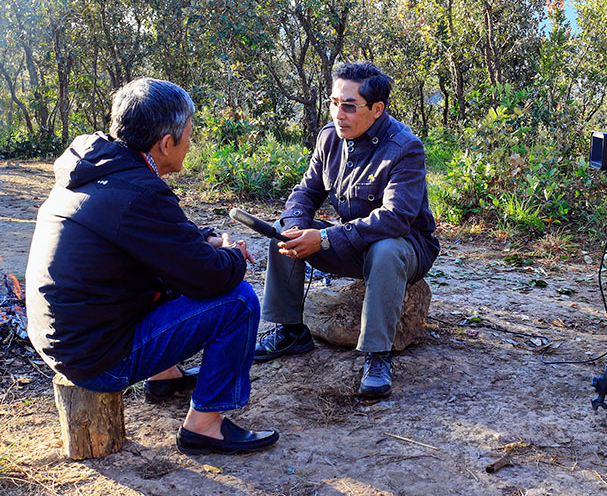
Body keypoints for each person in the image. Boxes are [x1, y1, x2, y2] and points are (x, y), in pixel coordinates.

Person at [26, 77, 278, 456]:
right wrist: (231, 254)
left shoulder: (100, 167)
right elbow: (212, 276)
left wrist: (203, 240)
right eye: (189, 135)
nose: (190, 145)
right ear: (165, 143)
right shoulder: (139, 192)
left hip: (63, 337)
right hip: (94, 361)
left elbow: (165, 237)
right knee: (239, 301)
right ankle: (206, 426)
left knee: (169, 269)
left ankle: (164, 377)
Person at [254, 61, 439, 397]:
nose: (339, 114)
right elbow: (305, 193)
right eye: (333, 103)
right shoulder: (330, 138)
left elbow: (396, 218)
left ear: (377, 109)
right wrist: (298, 230)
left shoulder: (404, 147)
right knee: (284, 228)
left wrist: (324, 238)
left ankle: (377, 355)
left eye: (350, 106)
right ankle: (290, 331)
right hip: (353, 243)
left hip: (406, 247)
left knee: (386, 249)